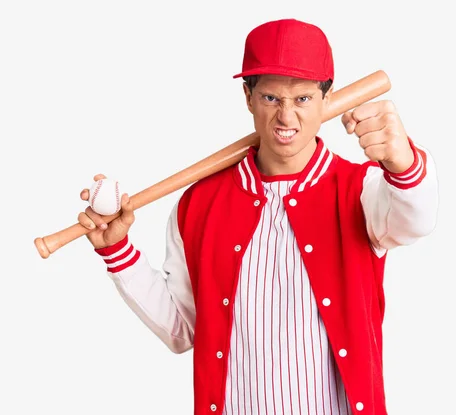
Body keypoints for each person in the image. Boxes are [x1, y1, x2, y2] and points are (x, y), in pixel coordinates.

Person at [76, 18, 439, 415]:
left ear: (326, 98)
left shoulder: (361, 190)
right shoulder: (199, 204)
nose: (286, 118)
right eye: (270, 98)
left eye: (301, 98)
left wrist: (404, 164)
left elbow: (416, 220)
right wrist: (117, 251)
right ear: (248, 97)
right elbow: (182, 329)